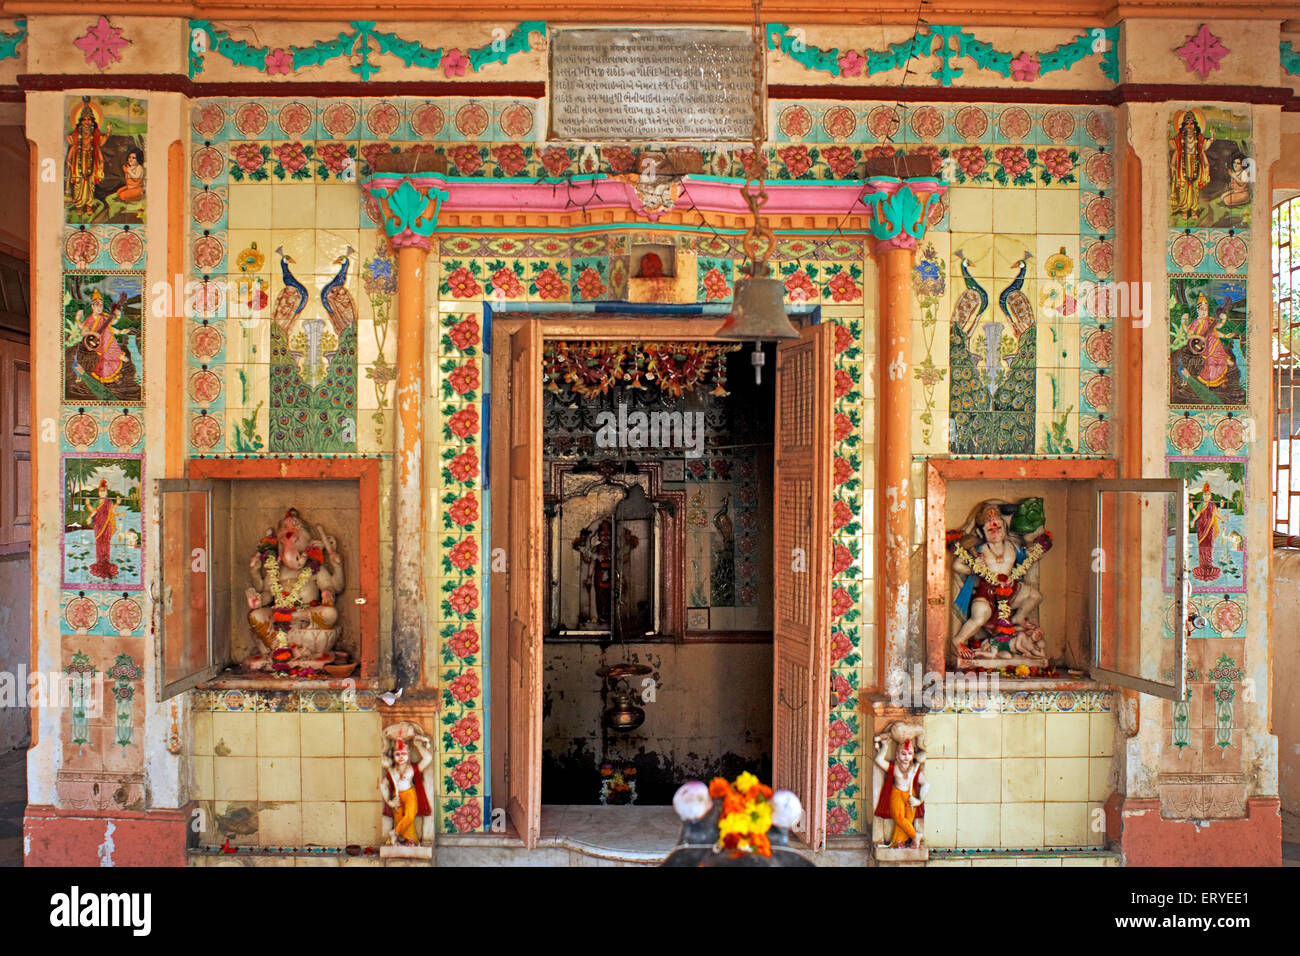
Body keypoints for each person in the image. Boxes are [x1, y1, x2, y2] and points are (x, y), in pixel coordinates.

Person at [949, 501, 1052, 661]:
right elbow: (957, 565)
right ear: (981, 532)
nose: (996, 532)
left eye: (999, 528)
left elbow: (1029, 558)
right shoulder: (980, 550)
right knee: (979, 617)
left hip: (1011, 589)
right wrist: (974, 567)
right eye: (990, 529)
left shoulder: (1013, 547)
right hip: (987, 593)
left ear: (1005, 526)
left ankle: (1019, 618)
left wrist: (1040, 547)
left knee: (1035, 596)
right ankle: (959, 640)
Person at [873, 735, 928, 849]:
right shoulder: (894, 767)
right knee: (898, 817)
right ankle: (916, 836)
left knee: (907, 820)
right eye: (903, 754)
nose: (906, 757)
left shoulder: (914, 769)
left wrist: (919, 800)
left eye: (909, 754)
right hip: (896, 793)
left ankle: (899, 842)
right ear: (897, 756)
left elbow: (926, 784)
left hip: (910, 795)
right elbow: (878, 760)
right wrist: (885, 747)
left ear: (913, 756)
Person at [380, 733, 433, 846]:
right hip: (397, 796)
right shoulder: (392, 771)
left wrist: (418, 746)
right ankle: (408, 840)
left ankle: (394, 833)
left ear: (408, 755)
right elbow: (383, 785)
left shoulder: (412, 768)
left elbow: (428, 758)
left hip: (410, 793)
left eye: (403, 754)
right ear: (393, 756)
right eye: (397, 754)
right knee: (400, 818)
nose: (401, 756)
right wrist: (389, 802)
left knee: (410, 815)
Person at [65, 100, 108, 217]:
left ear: (92, 121)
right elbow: (73, 147)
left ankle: (88, 205)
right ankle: (79, 206)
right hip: (78, 160)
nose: (87, 122)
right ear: (80, 121)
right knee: (78, 184)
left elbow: (98, 147)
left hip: (91, 160)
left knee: (90, 184)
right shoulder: (76, 134)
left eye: (89, 119)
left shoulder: (95, 134)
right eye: (84, 119)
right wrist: (68, 161)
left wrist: (101, 162)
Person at [89, 479, 119, 580]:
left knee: (106, 543)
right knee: (99, 543)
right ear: (98, 492)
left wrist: (117, 503)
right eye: (101, 491)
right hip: (98, 525)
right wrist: (88, 507)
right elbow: (93, 512)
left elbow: (113, 512)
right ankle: (100, 563)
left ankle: (106, 562)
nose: (103, 493)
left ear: (106, 492)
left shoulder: (109, 502)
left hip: (107, 526)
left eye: (104, 491)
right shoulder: (97, 502)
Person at [1192, 482, 1222, 582]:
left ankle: (1208, 565)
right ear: (1202, 495)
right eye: (1205, 494)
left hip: (1210, 528)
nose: (1206, 496)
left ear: (1211, 496)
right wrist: (1192, 519)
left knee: (1209, 545)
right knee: (1202, 546)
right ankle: (1202, 565)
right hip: (1201, 528)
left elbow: (1217, 515)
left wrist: (1221, 508)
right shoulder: (1200, 505)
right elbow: (1197, 515)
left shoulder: (1213, 506)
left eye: (1208, 494)